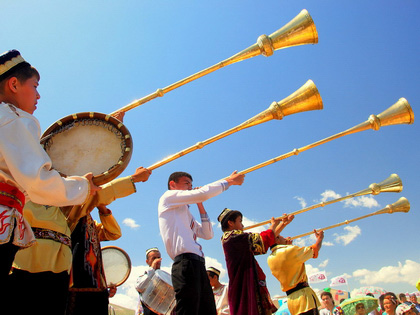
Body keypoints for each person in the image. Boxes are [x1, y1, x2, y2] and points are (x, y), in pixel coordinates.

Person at [0, 49, 98, 297]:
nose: (38, 94)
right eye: (34, 86)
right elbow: (37, 182)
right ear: (13, 84)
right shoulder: (14, 118)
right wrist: (82, 187)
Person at [10, 166, 151, 314]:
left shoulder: (78, 214)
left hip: (63, 274)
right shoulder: (31, 190)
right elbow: (97, 193)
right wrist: (133, 179)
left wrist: (103, 209)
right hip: (32, 267)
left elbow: (114, 232)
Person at [158, 170, 245, 315]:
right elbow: (202, 193)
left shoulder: (185, 212)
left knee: (208, 310)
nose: (190, 187)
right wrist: (229, 181)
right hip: (185, 263)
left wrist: (200, 205)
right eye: (186, 184)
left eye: (191, 185)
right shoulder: (168, 197)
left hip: (197, 263)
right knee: (188, 310)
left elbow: (208, 234)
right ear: (172, 185)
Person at [218, 208, 294, 315]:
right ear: (230, 223)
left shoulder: (236, 239)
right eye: (240, 221)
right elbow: (261, 240)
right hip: (244, 286)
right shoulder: (231, 237)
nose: (243, 225)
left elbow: (264, 242)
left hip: (249, 284)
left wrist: (282, 224)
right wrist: (274, 225)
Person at [267, 230, 324, 315]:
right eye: (282, 236)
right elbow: (314, 249)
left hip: (291, 300)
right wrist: (320, 238)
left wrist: (287, 246)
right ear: (277, 239)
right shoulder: (291, 250)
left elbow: (289, 263)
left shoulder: (270, 259)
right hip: (304, 298)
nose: (285, 238)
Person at [136, 247, 163, 315]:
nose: (157, 260)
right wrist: (152, 269)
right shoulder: (142, 277)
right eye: (154, 258)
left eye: (158, 257)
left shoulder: (164, 278)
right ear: (147, 261)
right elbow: (139, 287)